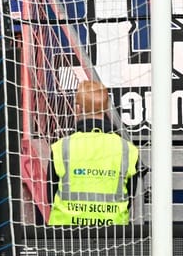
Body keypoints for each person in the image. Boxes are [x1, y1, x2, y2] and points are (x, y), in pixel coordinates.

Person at [46, 78, 135, 227]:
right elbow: (130, 196)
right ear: (106, 109)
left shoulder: (62, 147)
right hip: (114, 236)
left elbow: (50, 195)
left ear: (78, 108)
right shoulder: (126, 149)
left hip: (65, 235)